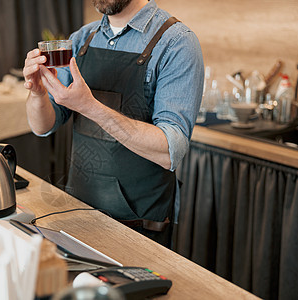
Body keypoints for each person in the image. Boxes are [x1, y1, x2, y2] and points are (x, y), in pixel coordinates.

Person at [23, 0, 204, 247]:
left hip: (139, 226)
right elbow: (43, 126)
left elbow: (170, 150)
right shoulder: (82, 39)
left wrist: (90, 106)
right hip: (77, 213)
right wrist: (38, 94)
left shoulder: (177, 42)